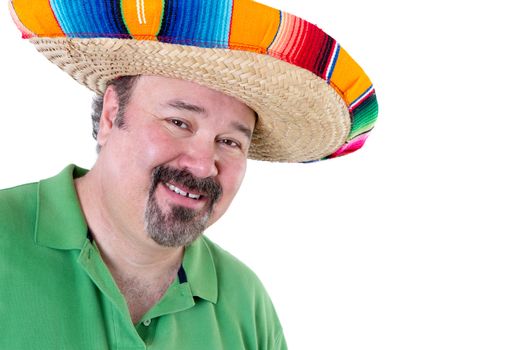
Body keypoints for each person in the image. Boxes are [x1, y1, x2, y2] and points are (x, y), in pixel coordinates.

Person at [1, 0, 378, 349]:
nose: (202, 165)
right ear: (111, 116)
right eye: (179, 122)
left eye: (230, 142)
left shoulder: (245, 305)